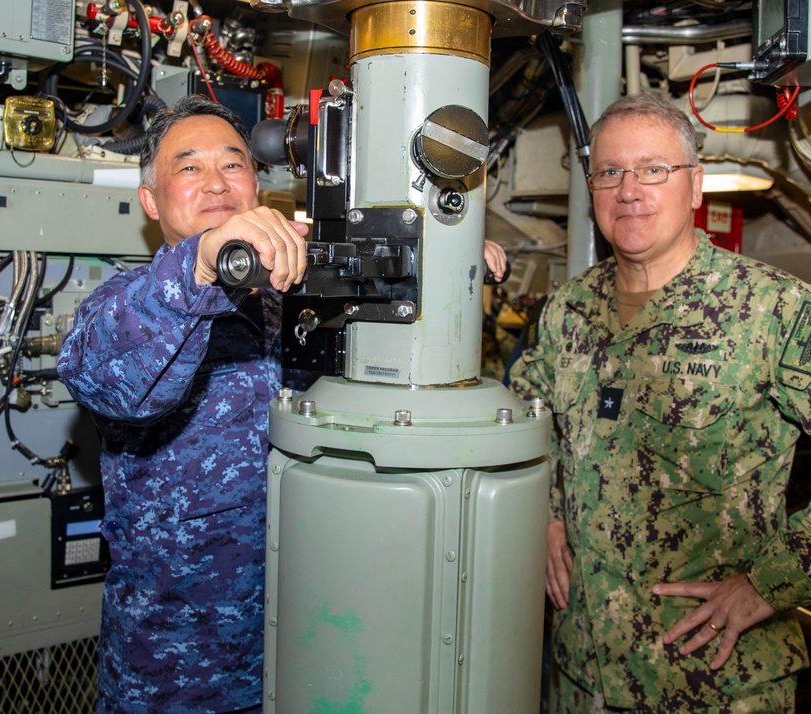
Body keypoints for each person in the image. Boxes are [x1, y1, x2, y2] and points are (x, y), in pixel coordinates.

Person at [58, 94, 507, 714]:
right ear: (152, 202)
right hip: (181, 673)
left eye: (234, 164)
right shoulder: (133, 303)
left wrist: (441, 267)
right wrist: (205, 263)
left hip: (315, 652)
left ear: (258, 185)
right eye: (188, 168)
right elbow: (107, 379)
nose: (215, 182)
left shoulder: (298, 298)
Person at [509, 92, 811, 713]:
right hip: (584, 673)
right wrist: (549, 513)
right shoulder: (567, 312)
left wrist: (769, 584)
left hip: (711, 683)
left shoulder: (773, 312)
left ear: (694, 187)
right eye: (610, 172)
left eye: (653, 169)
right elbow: (528, 419)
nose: (629, 190)